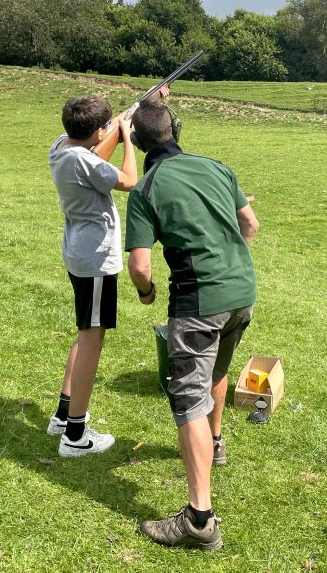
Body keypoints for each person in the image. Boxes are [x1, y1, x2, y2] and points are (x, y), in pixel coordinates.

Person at [125, 101, 259, 550]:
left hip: (198, 302)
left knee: (187, 399)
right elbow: (250, 224)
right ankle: (215, 444)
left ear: (138, 143)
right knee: (216, 373)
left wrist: (146, 294)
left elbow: (140, 267)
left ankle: (200, 519)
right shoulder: (217, 167)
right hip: (242, 293)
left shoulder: (146, 189)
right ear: (175, 129)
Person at [46, 95, 138, 457]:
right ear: (97, 131)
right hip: (96, 259)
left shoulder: (61, 148)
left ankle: (64, 414)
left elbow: (95, 153)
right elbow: (129, 179)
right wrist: (127, 135)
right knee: (91, 341)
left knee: (86, 335)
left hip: (78, 254)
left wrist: (113, 125)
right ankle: (75, 435)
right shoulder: (86, 161)